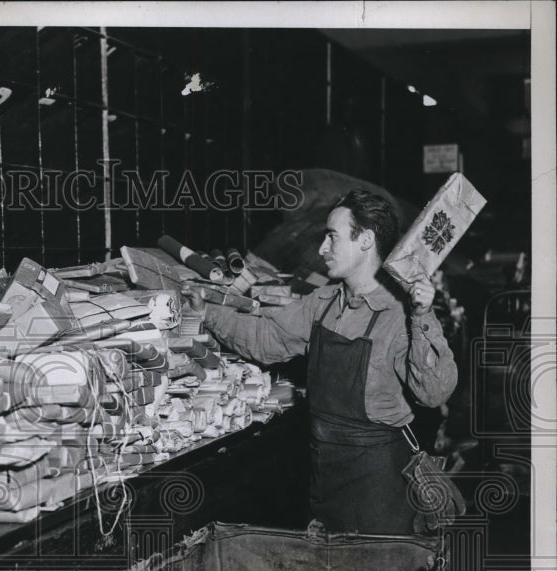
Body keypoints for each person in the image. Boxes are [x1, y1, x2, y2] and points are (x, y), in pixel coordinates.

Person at [193, 189, 458, 534]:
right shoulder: (324, 303)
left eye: (332, 237)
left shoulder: (399, 314)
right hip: (326, 478)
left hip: (378, 489)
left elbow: (435, 392)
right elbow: (266, 340)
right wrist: (208, 314)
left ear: (365, 240)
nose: (322, 249)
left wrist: (423, 315)